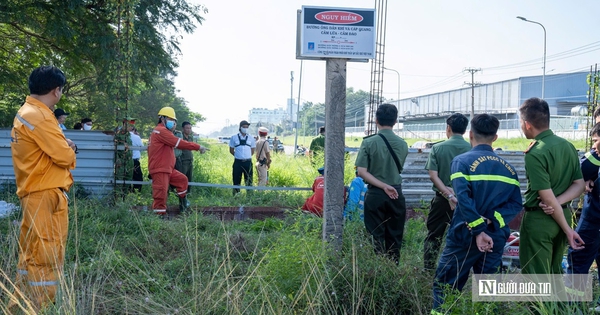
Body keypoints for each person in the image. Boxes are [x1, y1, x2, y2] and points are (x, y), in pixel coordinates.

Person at [431, 114, 522, 313]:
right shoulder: (509, 169)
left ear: (471, 134)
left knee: (445, 287)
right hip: (495, 237)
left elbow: (463, 199)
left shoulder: (461, 162)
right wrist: (491, 220)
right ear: (495, 137)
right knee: (489, 293)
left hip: (465, 235)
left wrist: (479, 229)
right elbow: (516, 204)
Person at [8, 66, 77, 311]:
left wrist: (63, 143)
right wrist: (70, 149)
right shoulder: (41, 115)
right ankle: (40, 306)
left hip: (33, 192)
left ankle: (19, 302)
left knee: (30, 251)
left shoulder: (26, 112)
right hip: (46, 192)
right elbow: (62, 155)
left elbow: (50, 145)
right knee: (47, 251)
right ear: (56, 90)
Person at [519, 97, 585, 275]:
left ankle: (542, 305)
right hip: (562, 214)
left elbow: (547, 198)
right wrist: (559, 204)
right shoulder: (568, 146)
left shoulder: (535, 152)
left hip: (540, 219)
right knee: (554, 273)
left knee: (536, 277)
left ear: (527, 124)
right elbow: (579, 185)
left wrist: (568, 230)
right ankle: (559, 304)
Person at [355, 103, 408, 264]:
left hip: (376, 194)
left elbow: (361, 172)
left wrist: (383, 186)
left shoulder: (369, 143)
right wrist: (388, 185)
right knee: (395, 235)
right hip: (396, 194)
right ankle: (393, 268)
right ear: (395, 121)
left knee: (375, 235)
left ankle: (377, 270)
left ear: (376, 120)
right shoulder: (403, 144)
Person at [423, 113, 471, 271]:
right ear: (465, 130)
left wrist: (447, 194)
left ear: (448, 128)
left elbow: (433, 175)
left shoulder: (437, 148)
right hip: (466, 201)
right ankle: (457, 269)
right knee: (463, 237)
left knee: (434, 235)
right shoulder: (472, 149)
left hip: (442, 200)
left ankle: (429, 269)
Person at [565, 122, 600, 307]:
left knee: (578, 258)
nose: (594, 145)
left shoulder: (594, 157)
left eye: (596, 140)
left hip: (594, 220)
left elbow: (579, 170)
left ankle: (574, 306)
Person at [148, 107, 207, 214]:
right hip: (160, 169)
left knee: (182, 180)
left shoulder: (164, 131)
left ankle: (183, 204)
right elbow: (179, 143)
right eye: (170, 119)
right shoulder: (161, 131)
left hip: (167, 168)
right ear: (162, 119)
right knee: (161, 195)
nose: (173, 123)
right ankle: (158, 219)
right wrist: (198, 147)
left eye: (173, 120)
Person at [229, 120, 256, 195]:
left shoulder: (251, 138)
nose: (245, 128)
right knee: (236, 180)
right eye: (244, 127)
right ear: (240, 128)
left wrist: (246, 156)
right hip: (238, 162)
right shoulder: (234, 138)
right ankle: (236, 195)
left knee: (249, 180)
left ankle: (249, 196)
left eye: (247, 127)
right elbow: (231, 150)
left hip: (248, 162)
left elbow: (252, 150)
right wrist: (238, 155)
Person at [114, 117, 134, 197]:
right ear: (124, 124)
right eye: (129, 124)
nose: (131, 127)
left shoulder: (128, 135)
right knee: (119, 181)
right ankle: (118, 199)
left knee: (128, 181)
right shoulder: (118, 135)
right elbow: (114, 148)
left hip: (129, 161)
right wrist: (117, 159)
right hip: (121, 161)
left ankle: (124, 198)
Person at [176, 121, 195, 193]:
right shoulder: (180, 137)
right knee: (182, 178)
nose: (189, 130)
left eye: (190, 128)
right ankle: (180, 193)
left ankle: (188, 193)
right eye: (187, 128)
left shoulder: (190, 138)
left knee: (189, 178)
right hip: (183, 161)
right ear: (183, 129)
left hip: (190, 161)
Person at [129, 123, 144, 193]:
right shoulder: (136, 137)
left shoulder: (122, 137)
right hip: (135, 160)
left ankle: (127, 192)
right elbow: (142, 147)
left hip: (125, 161)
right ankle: (136, 192)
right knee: (138, 178)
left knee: (127, 177)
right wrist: (138, 136)